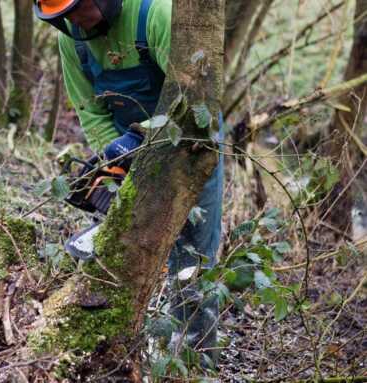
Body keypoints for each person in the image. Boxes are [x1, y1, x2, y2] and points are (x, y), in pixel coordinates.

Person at [34, 0, 223, 366]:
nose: (75, 22)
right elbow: (90, 109)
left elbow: (193, 101)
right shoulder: (72, 39)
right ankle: (112, 354)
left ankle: (196, 363)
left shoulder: (154, 15)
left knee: (193, 265)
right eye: (64, 18)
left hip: (191, 146)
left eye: (79, 10)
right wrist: (115, 160)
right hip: (128, 144)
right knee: (115, 249)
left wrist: (144, 147)